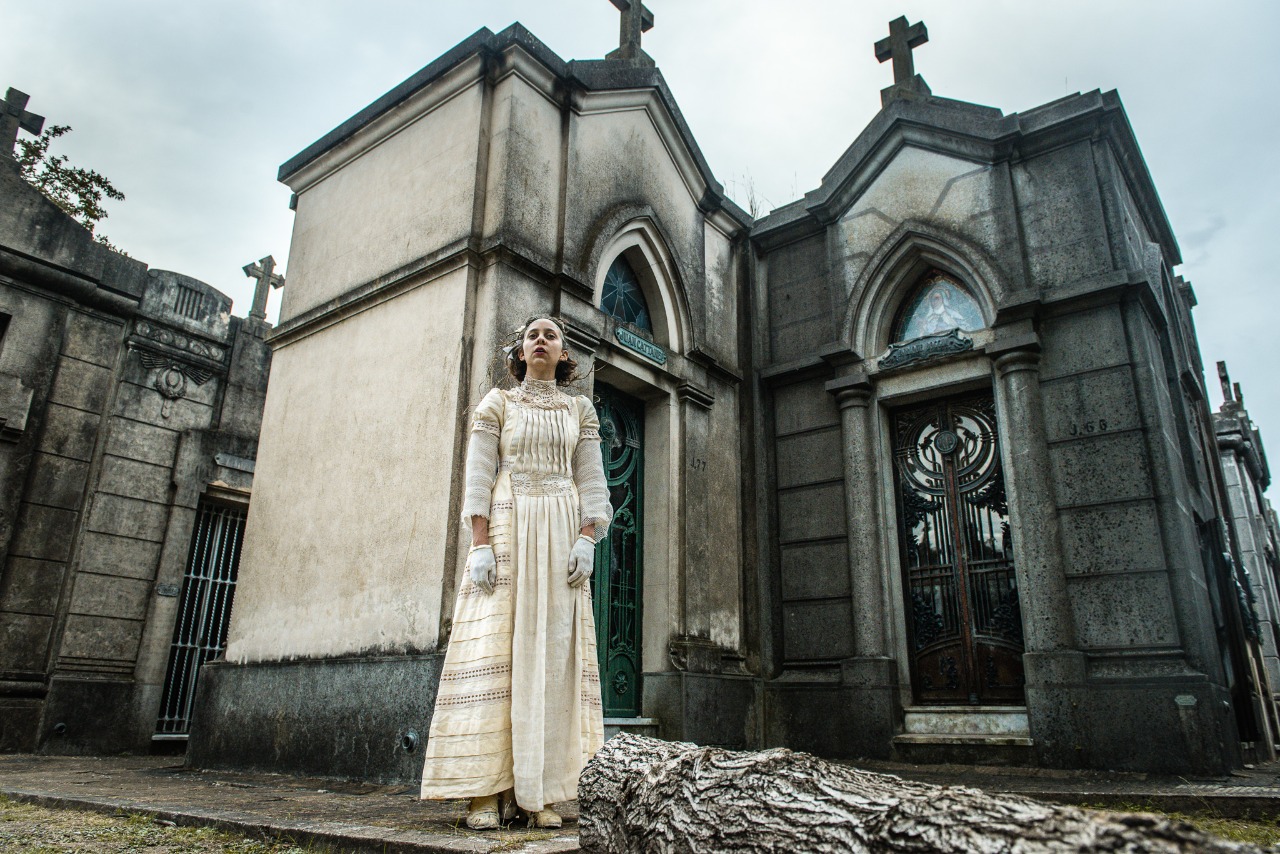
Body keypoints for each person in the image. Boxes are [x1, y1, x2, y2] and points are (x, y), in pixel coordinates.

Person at [419, 316, 613, 830]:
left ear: (564, 352)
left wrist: (588, 537)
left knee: (551, 654)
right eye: (534, 335)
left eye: (551, 335)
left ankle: (540, 792)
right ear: (521, 351)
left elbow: (592, 480)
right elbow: (478, 475)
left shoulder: (581, 409)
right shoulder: (497, 404)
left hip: (560, 534)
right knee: (495, 651)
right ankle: (483, 793)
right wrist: (479, 545)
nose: (542, 341)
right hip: (506, 528)